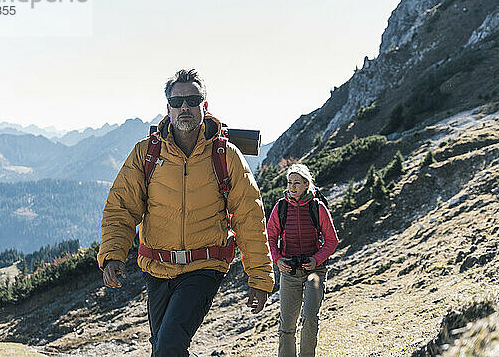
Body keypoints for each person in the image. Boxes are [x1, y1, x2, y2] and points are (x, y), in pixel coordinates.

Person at [97, 69, 274, 356]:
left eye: (192, 100)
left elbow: (249, 218)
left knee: (168, 346)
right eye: (176, 101)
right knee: (163, 348)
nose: (184, 107)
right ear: (167, 108)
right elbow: (122, 207)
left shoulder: (226, 155)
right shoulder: (146, 153)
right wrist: (113, 254)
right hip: (156, 268)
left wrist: (260, 277)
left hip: (204, 268)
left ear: (205, 105)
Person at [266, 164, 339, 357]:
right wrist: (277, 259)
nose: (292, 187)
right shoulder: (281, 207)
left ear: (307, 184)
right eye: (290, 183)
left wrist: (316, 260)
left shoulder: (318, 207)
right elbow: (270, 238)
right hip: (289, 272)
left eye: (297, 183)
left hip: (315, 271)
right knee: (287, 325)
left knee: (310, 318)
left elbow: (332, 240)